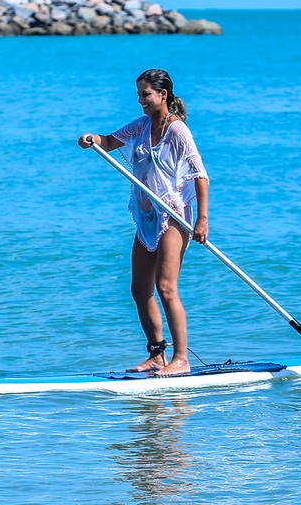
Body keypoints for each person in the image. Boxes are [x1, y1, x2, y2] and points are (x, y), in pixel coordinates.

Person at [78, 69, 209, 377]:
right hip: (146, 216)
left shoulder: (178, 131)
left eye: (146, 94)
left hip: (173, 216)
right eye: (138, 94)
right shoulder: (140, 125)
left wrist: (202, 220)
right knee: (140, 289)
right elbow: (109, 141)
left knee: (166, 288)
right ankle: (156, 355)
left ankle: (182, 359)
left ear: (163, 94)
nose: (141, 100)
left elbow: (200, 176)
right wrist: (91, 140)